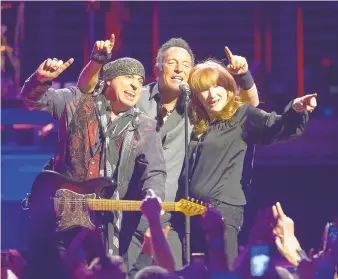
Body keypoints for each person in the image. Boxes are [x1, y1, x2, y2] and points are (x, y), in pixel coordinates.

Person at [78, 36, 261, 271]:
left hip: (170, 217)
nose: (179, 69)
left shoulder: (199, 107)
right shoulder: (136, 96)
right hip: (126, 212)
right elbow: (89, 93)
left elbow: (247, 108)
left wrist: (243, 75)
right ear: (157, 69)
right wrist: (97, 62)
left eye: (186, 65)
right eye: (172, 63)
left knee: (175, 272)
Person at [20, 54, 166, 257]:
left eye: (140, 81)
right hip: (60, 219)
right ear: (108, 79)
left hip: (107, 224)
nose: (135, 86)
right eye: (128, 77)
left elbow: (155, 172)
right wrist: (40, 79)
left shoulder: (145, 126)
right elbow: (31, 101)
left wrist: (153, 194)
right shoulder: (75, 101)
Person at [186, 59, 317, 269]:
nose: (212, 94)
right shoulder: (193, 124)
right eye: (204, 89)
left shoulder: (242, 116)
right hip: (189, 212)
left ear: (229, 87)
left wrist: (296, 109)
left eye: (217, 86)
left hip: (223, 212)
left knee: (224, 270)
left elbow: (276, 126)